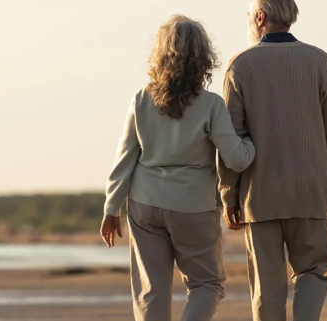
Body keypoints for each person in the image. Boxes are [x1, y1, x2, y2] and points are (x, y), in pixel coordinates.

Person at [100, 15, 255, 321]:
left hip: (145, 206)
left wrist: (111, 208)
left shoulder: (141, 100)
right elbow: (236, 159)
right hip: (193, 206)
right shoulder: (211, 105)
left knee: (151, 292)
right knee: (207, 283)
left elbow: (124, 160)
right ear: (203, 58)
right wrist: (250, 142)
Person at [217, 1, 327, 320]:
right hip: (310, 191)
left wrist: (228, 196)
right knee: (313, 272)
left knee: (267, 286)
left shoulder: (240, 66)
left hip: (258, 194)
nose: (248, 21)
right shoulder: (319, 61)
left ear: (260, 17)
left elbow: (230, 140)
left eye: (249, 16)